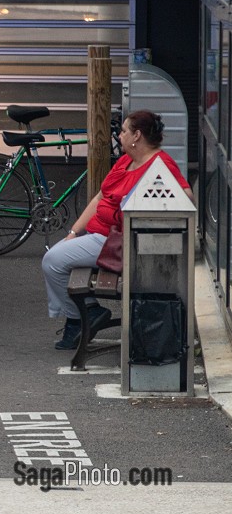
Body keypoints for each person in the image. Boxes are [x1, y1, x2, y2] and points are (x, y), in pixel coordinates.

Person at [40, 110, 191, 350]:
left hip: (118, 241)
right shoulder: (126, 160)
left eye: (123, 131)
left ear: (137, 135)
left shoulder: (160, 165)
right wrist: (74, 231)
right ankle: (84, 312)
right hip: (98, 235)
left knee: (52, 261)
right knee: (58, 256)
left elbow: (186, 197)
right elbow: (101, 196)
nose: (119, 136)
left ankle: (82, 316)